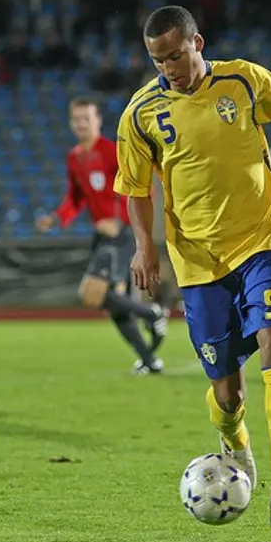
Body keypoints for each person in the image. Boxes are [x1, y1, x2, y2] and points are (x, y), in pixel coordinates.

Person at [114, 5, 271, 530]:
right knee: (228, 392)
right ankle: (240, 453)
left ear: (198, 43)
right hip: (197, 262)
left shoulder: (245, 81)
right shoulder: (140, 114)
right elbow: (136, 189)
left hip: (264, 240)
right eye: (158, 60)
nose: (169, 68)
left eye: (176, 55)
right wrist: (145, 247)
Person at [36, 97, 168, 375]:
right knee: (112, 303)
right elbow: (75, 197)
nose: (82, 124)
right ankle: (149, 359)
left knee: (91, 293)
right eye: (77, 119)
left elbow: (139, 184)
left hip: (120, 234)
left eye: (87, 118)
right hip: (101, 236)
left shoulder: (111, 151)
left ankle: (152, 314)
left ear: (98, 121)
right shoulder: (75, 158)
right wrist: (57, 218)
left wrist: (121, 220)